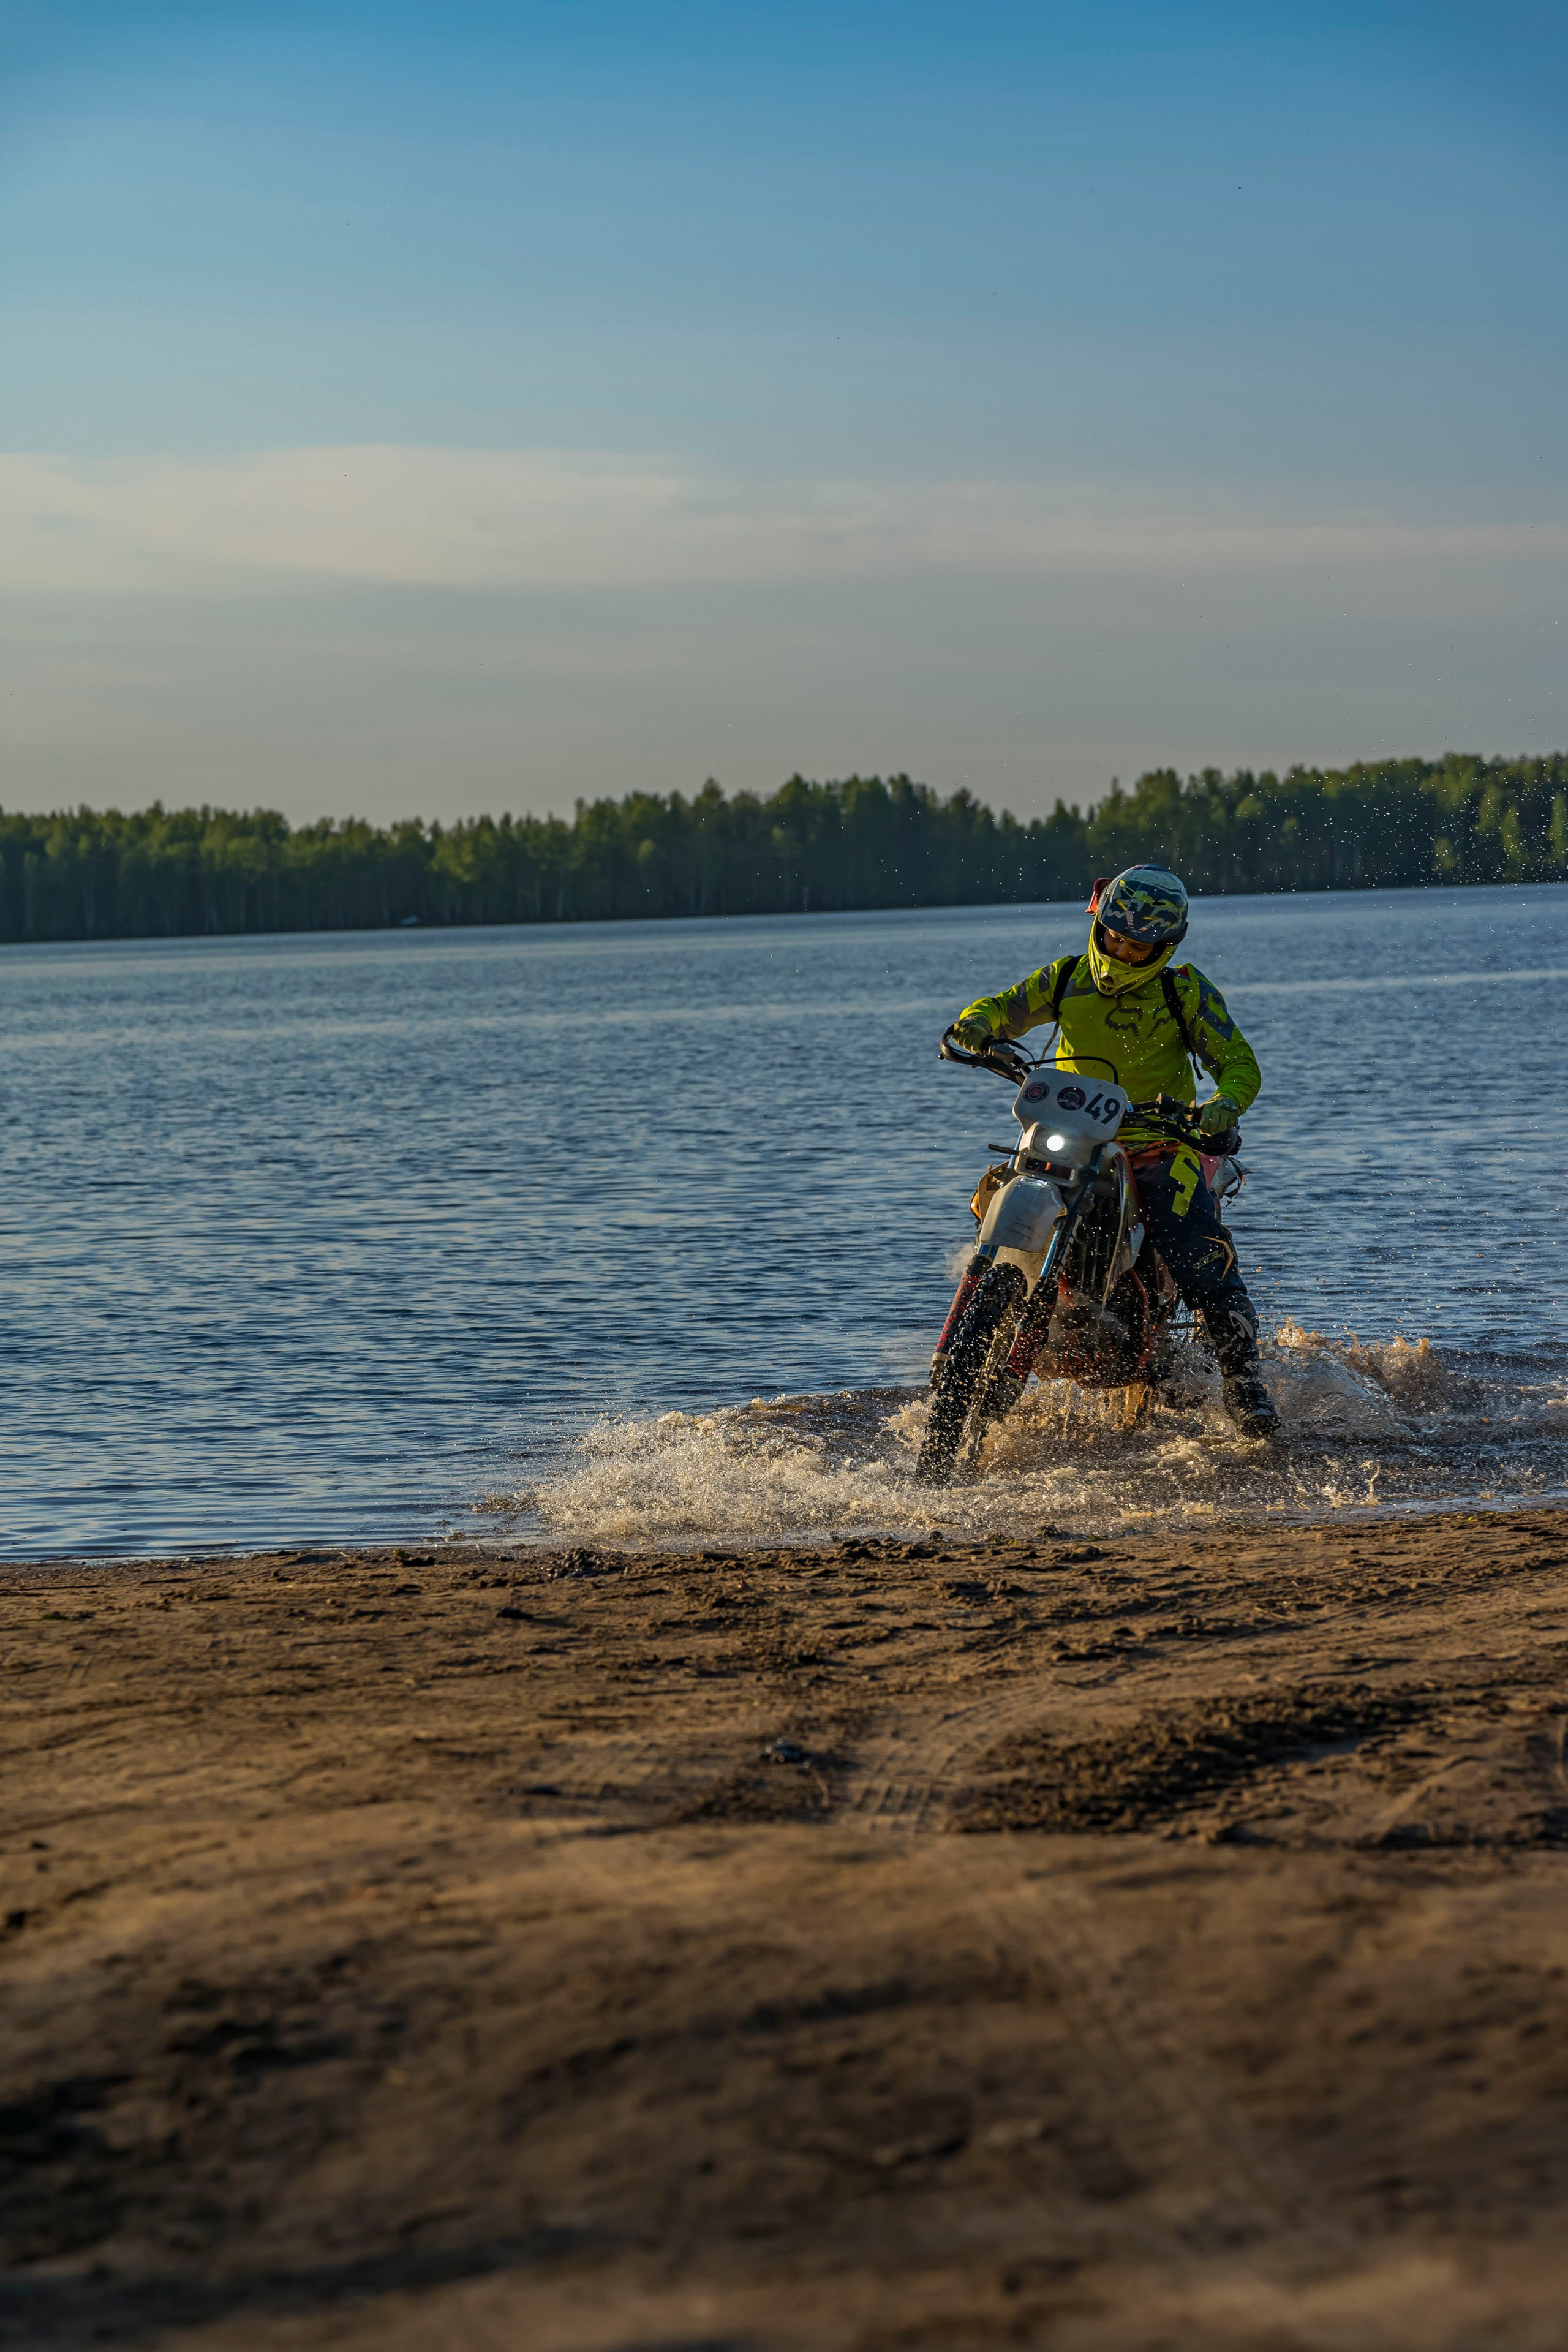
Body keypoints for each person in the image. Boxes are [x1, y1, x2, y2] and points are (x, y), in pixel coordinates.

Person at [950, 863, 1280, 1439]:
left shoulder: (1183, 990)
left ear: (1164, 946)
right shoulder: (1066, 977)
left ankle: (1243, 1378)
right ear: (1099, 925)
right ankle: (963, 1342)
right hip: (1071, 1131)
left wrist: (1226, 1102)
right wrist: (978, 1023)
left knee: (1191, 1243)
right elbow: (1005, 1007)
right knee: (996, 1186)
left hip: (1157, 1139)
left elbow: (1237, 1061)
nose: (1123, 951)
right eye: (1115, 937)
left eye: (1138, 945)